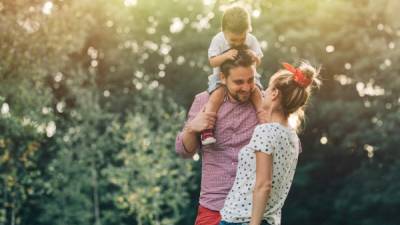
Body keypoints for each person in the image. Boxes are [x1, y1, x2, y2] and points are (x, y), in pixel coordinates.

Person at [219, 62, 321, 225]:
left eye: (267, 88)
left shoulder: (266, 132)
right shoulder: (292, 137)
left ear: (274, 93)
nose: (264, 92)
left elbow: (264, 185)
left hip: (241, 220)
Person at [175, 48, 261, 225]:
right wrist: (192, 128)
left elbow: (290, 147)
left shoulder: (265, 103)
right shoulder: (203, 101)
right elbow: (184, 152)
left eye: (250, 80)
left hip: (252, 211)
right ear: (222, 78)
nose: (246, 88)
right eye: (238, 82)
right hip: (213, 208)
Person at [201, 5, 265, 145]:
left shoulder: (252, 40)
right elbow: (212, 61)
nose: (237, 44)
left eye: (241, 40)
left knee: (257, 93)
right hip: (220, 77)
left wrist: (254, 56)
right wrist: (226, 56)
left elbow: (258, 60)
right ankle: (207, 130)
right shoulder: (218, 40)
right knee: (216, 96)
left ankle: (264, 122)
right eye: (233, 41)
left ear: (248, 30)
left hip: (248, 75)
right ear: (223, 31)